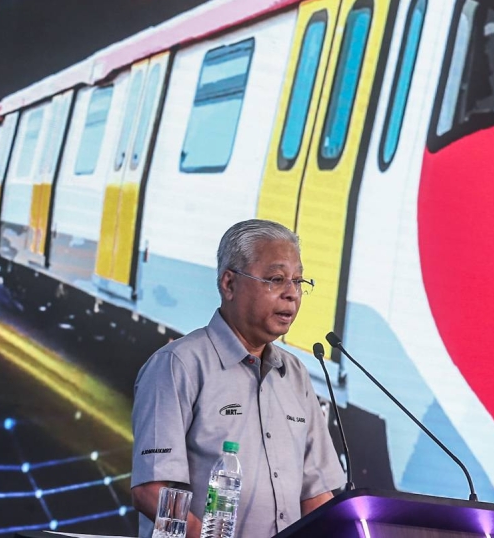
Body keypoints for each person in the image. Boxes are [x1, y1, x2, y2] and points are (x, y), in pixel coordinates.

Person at [131, 219, 346, 538]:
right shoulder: (179, 365)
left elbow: (316, 494)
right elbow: (152, 490)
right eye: (276, 279)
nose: (291, 294)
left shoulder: (296, 374)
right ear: (229, 284)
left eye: (298, 281)